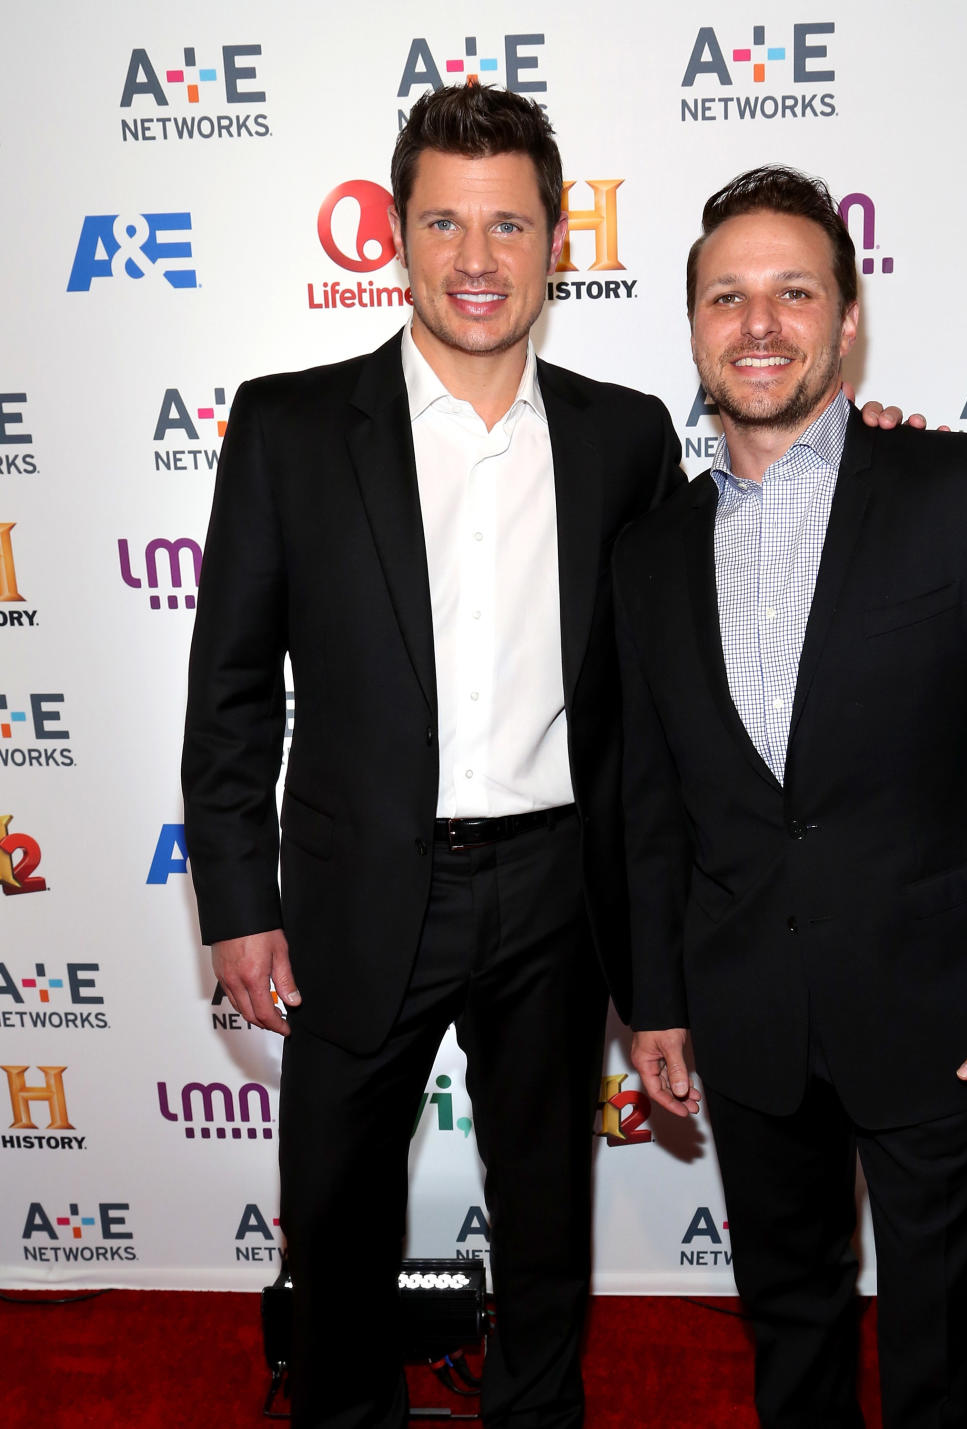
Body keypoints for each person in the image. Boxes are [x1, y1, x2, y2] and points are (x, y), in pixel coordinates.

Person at [182, 88, 912, 1428]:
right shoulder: (287, 428)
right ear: (396, 235)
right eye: (447, 221)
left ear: (556, 240)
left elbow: (656, 710)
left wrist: (663, 944)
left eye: (508, 221)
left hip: (554, 896)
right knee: (335, 1220)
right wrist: (238, 901)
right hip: (353, 891)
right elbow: (230, 689)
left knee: (543, 1232)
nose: (477, 254)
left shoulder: (622, 435)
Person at [614, 166, 967, 1429]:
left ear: (846, 322)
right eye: (728, 296)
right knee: (791, 1322)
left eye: (793, 292)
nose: (759, 322)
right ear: (694, 326)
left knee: (942, 1336)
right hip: (747, 1010)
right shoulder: (651, 550)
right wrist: (656, 998)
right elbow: (655, 800)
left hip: (942, 1003)